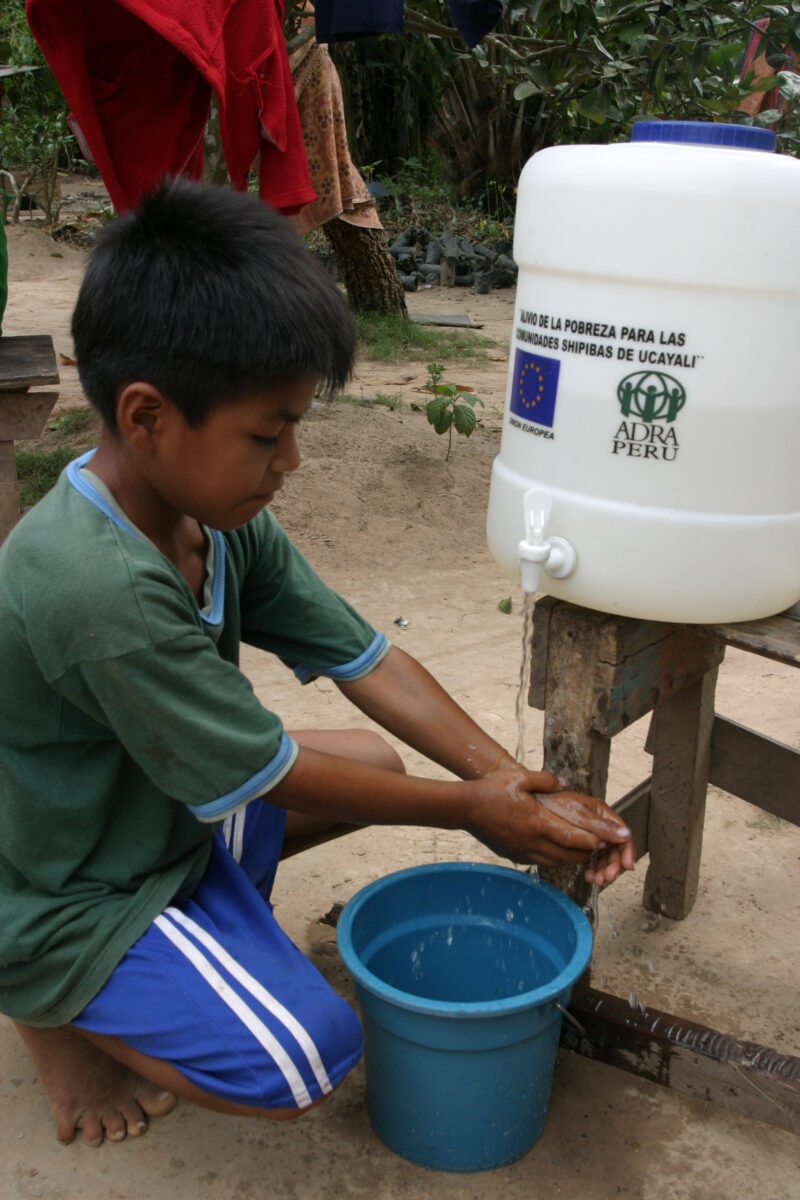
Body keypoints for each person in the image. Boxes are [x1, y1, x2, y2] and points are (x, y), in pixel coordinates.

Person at [0, 179, 634, 1149]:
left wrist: (508, 784)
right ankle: (52, 1001)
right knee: (303, 1060)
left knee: (373, 771)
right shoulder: (98, 587)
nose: (288, 460)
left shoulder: (209, 515)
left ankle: (189, 938)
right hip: (62, 883)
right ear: (146, 418)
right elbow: (264, 773)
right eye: (267, 433)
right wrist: (473, 810)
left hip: (150, 812)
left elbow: (364, 657)